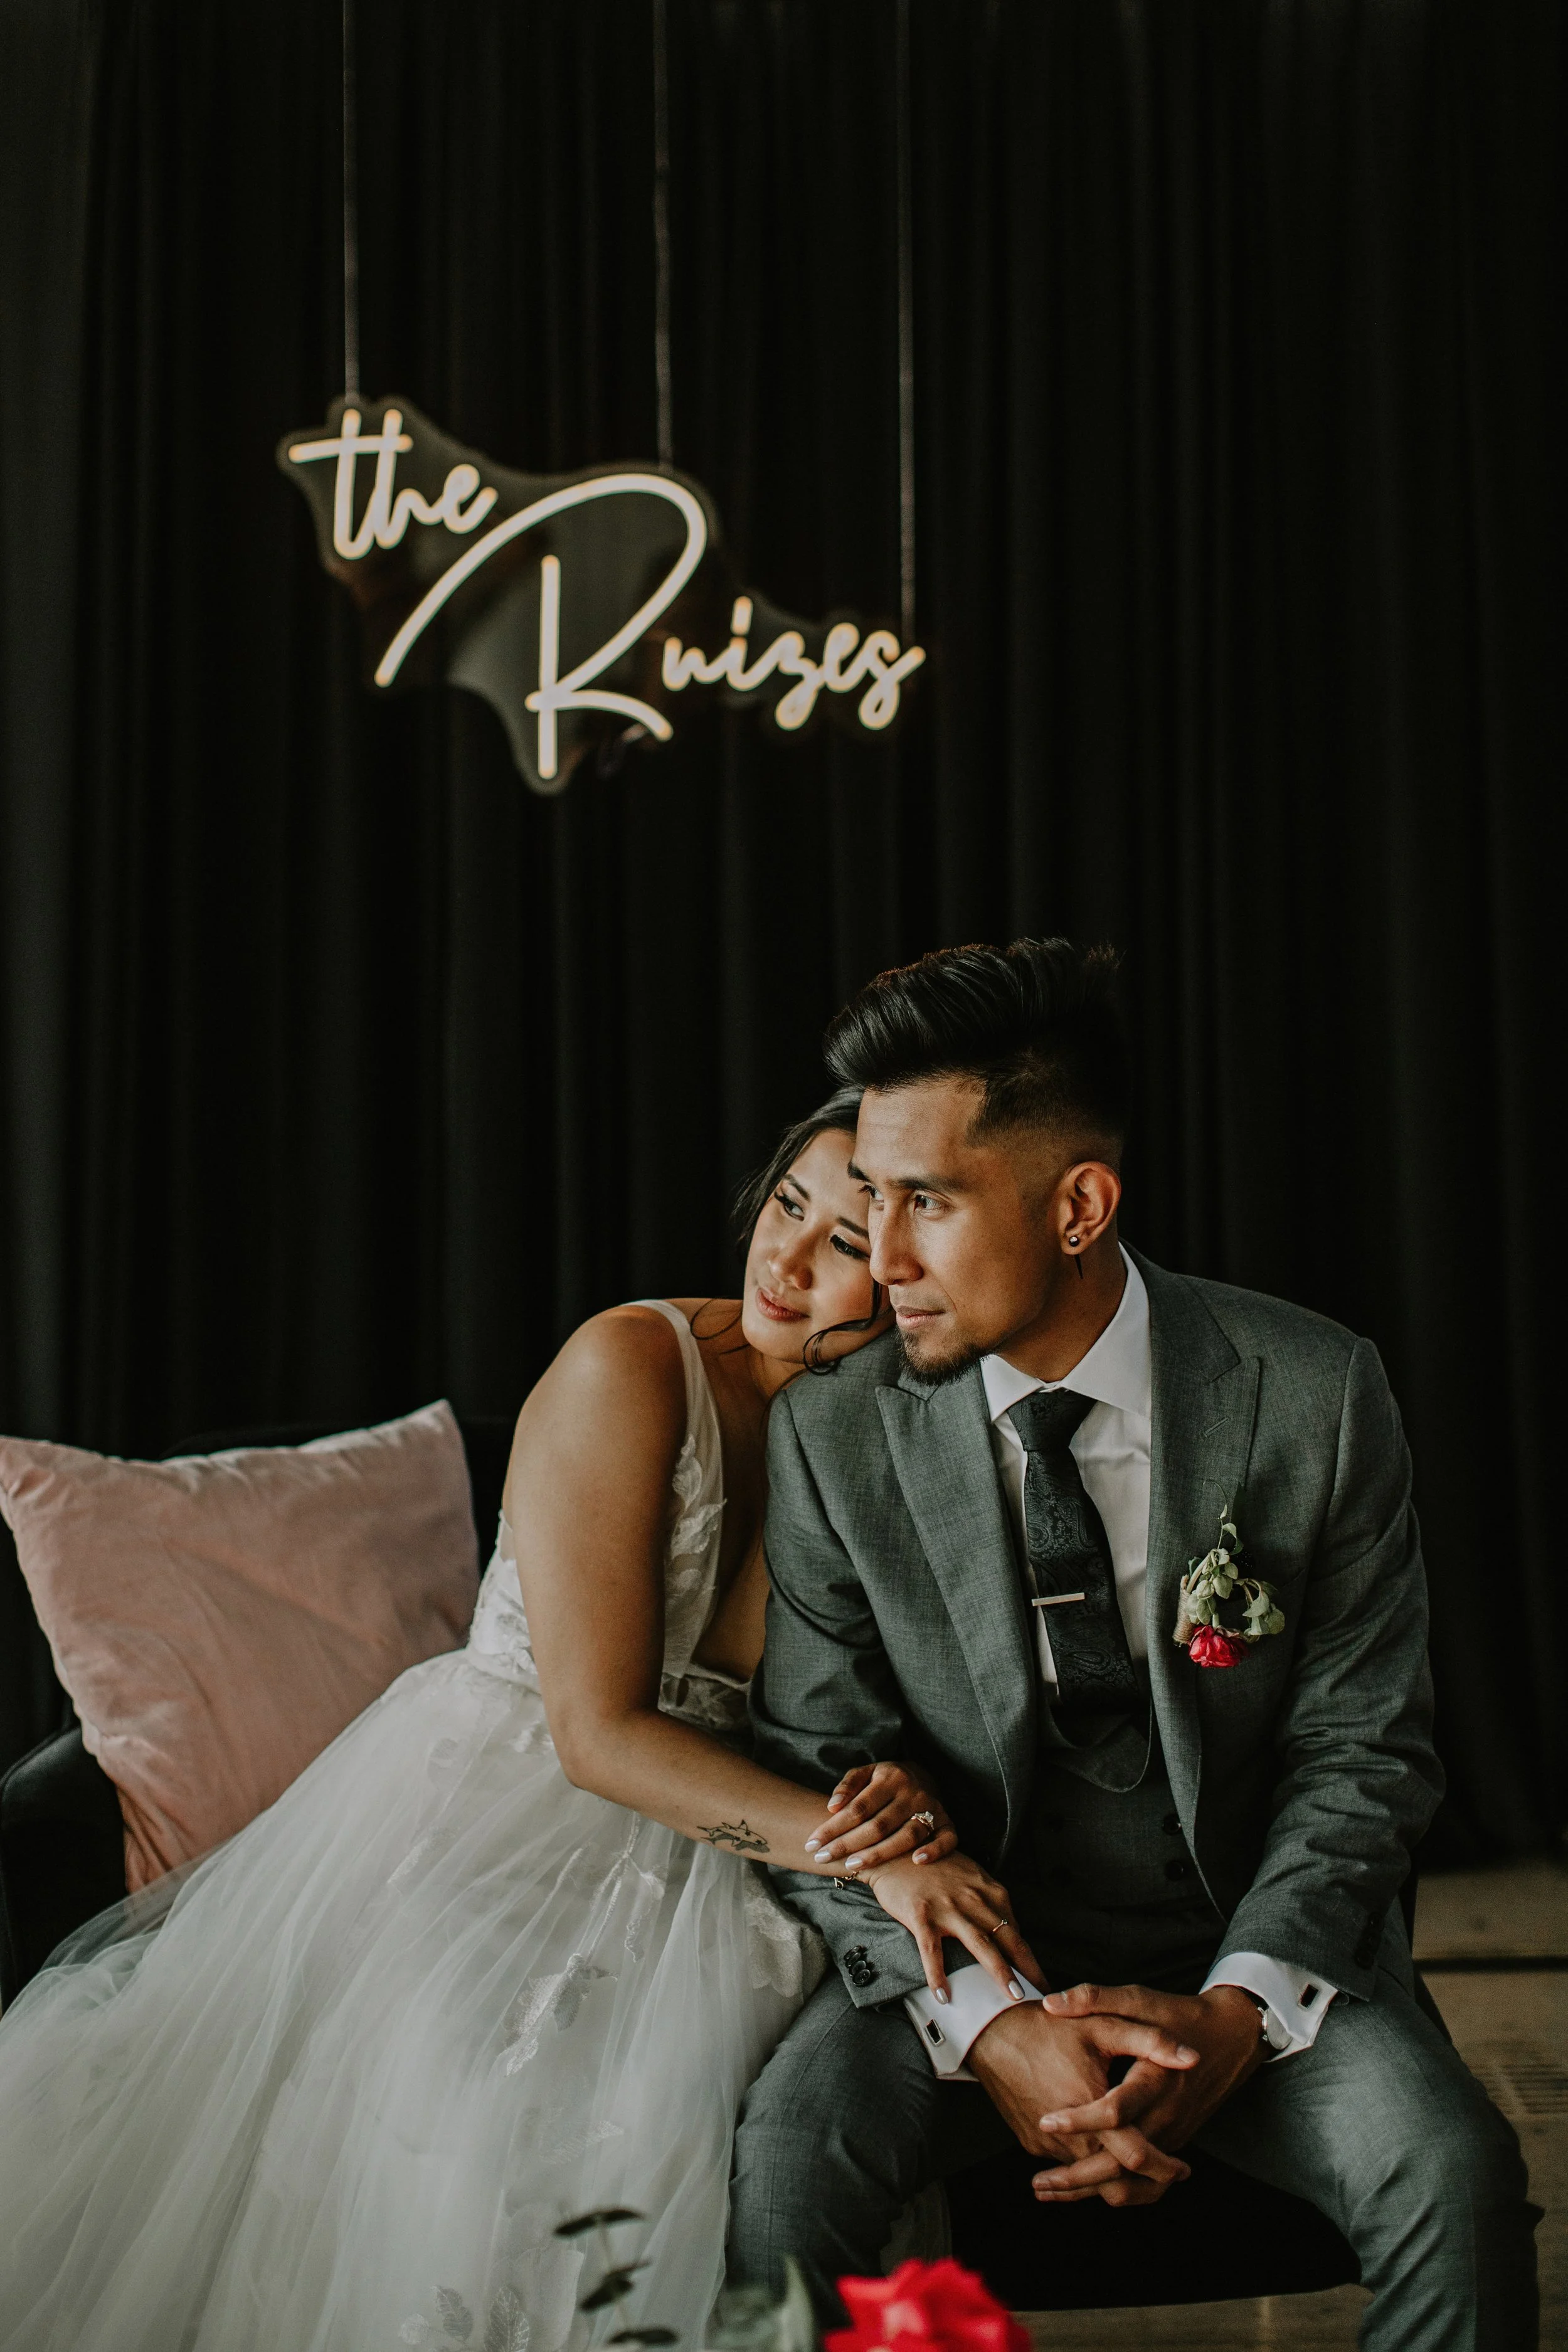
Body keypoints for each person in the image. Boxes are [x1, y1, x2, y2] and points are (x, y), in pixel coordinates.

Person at [0, 1092, 1051, 2352]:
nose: (784, 1258)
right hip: (501, 1804)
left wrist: (895, 1792)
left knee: (771, 2102)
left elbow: (874, 1704)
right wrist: (879, 1854)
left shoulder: (893, 1439)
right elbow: (595, 1737)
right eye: (788, 1205)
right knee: (499, 2085)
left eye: (842, 1241)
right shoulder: (633, 1364)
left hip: (732, 1848)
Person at [729, 939, 1539, 2352]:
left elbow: (1366, 1750)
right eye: (873, 1198)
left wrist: (1236, 2011)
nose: (884, 1256)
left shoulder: (1310, 1391)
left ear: (1076, 1205)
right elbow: (819, 1759)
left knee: (1452, 2178)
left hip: (1251, 1953)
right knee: (784, 2168)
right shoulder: (836, 1432)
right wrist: (994, 2024)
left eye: (925, 1200)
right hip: (950, 1972)